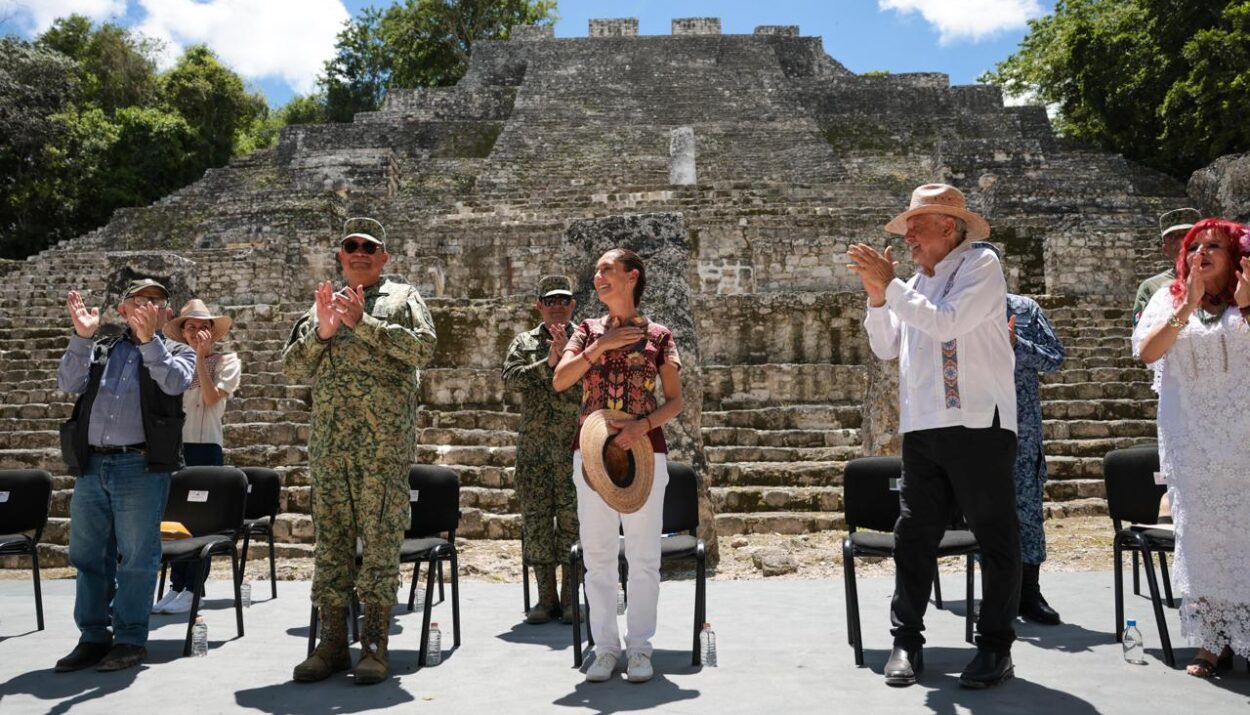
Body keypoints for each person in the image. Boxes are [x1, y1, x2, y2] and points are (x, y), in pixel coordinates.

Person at [848, 184, 1020, 689]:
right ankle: (906, 641)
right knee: (914, 534)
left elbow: (948, 325)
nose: (908, 240)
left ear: (949, 226)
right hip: (923, 426)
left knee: (994, 535)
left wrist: (893, 285)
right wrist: (879, 297)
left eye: (916, 228)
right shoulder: (915, 283)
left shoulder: (981, 265)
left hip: (978, 423)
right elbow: (885, 347)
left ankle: (995, 647)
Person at [284, 221, 437, 685]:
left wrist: (363, 324)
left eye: (369, 247)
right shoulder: (321, 305)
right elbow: (292, 366)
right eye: (351, 247)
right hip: (331, 447)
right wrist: (324, 331)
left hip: (383, 448)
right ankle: (330, 645)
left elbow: (424, 350)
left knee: (380, 542)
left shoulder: (403, 298)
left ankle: (374, 646)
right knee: (330, 544)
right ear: (341, 255)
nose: (359, 253)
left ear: (384, 256)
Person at [553, 248, 684, 684]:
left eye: (608, 270)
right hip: (590, 450)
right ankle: (606, 648)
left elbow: (676, 400)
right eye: (597, 271)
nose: (599, 277)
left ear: (633, 276)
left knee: (645, 555)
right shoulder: (586, 331)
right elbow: (561, 379)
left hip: (645, 450)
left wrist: (640, 427)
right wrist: (601, 347)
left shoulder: (661, 336)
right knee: (598, 555)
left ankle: (641, 648)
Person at [54, 278, 195, 672]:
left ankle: (130, 638)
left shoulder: (179, 352)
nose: (147, 307)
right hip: (93, 464)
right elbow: (68, 383)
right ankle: (93, 636)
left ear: (167, 313)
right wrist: (82, 337)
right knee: (88, 556)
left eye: (156, 302)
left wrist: (151, 342)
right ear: (122, 310)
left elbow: (173, 382)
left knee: (136, 556)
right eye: (138, 301)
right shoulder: (102, 348)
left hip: (140, 466)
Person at [1133, 218, 1250, 677]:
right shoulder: (1171, 298)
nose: (1202, 252)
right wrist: (1189, 306)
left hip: (1244, 438)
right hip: (1191, 441)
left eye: (1215, 246)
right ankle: (1211, 641)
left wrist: (1247, 308)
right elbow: (1147, 351)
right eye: (1196, 246)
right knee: (1200, 537)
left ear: (1236, 256)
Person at [151, 299, 241, 615]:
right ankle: (177, 586)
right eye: (190, 326)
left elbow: (211, 396)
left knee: (200, 521)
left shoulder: (227, 361)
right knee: (174, 520)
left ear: (212, 333)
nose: (196, 331)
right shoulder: (175, 363)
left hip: (205, 447)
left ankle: (195, 589)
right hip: (176, 448)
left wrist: (202, 359)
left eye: (203, 327)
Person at [502, 275, 582, 625]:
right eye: (550, 301)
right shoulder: (524, 342)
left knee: (571, 525)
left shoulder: (587, 340)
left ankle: (569, 599)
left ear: (573, 305)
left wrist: (569, 356)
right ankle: (544, 599)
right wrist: (547, 364)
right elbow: (510, 378)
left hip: (572, 450)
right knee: (536, 525)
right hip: (534, 452)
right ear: (539, 305)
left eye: (564, 300)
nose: (557, 306)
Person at [1005, 293, 1065, 624]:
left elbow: (1055, 358)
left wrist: (1017, 343)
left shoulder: (1025, 310)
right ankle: (998, 592)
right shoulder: (954, 306)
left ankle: (1029, 592)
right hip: (973, 430)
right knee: (981, 514)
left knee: (1028, 512)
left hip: (1022, 431)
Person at [1133, 208, 1201, 325]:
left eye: (1188, 233)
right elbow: (1143, 337)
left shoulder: (1220, 279)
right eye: (1173, 236)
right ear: (1165, 249)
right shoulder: (1152, 288)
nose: (1181, 240)